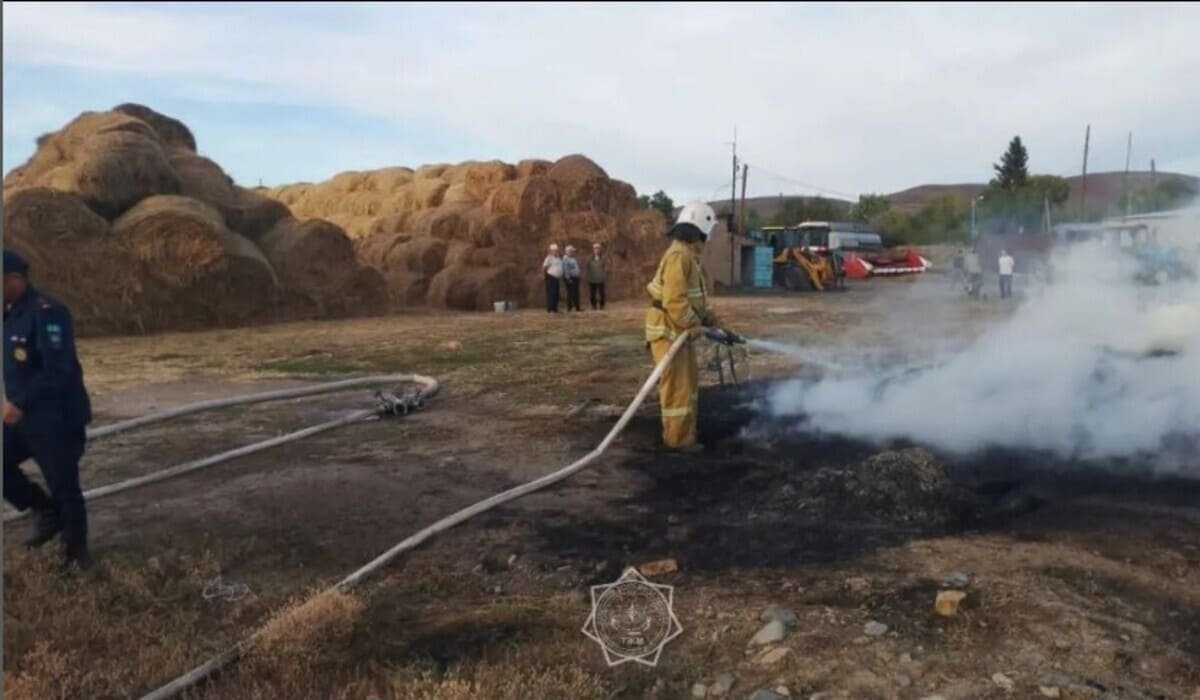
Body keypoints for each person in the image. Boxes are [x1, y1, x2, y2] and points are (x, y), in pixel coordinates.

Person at [3, 250, 93, 570]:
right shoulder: (10, 314)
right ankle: (44, 512)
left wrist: (19, 402)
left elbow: (58, 369)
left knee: (64, 485)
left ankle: (76, 558)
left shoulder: (47, 312)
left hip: (57, 417)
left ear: (15, 279)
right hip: (25, 418)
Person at [644, 201, 737, 452]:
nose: (708, 238)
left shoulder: (689, 256)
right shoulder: (679, 256)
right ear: (700, 229)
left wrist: (719, 326)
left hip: (678, 331)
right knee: (678, 389)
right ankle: (678, 442)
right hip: (668, 331)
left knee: (688, 384)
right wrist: (695, 326)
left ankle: (686, 434)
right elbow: (675, 302)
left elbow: (696, 302)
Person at [542, 243, 563, 313]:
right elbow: (544, 267)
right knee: (551, 293)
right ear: (551, 251)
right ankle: (550, 308)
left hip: (557, 278)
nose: (555, 252)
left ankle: (555, 308)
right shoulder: (549, 258)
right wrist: (546, 275)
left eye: (556, 250)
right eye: (554, 250)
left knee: (556, 293)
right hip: (551, 277)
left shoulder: (559, 258)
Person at [587, 242, 607, 310]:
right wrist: (588, 277)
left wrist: (604, 275)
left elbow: (605, 267)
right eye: (595, 249)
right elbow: (587, 268)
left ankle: (602, 306)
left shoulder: (603, 258)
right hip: (592, 279)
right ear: (593, 250)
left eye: (598, 249)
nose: (596, 250)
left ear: (600, 250)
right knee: (592, 294)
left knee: (602, 294)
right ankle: (594, 306)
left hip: (600, 279)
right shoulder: (589, 258)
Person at [563, 245, 582, 312]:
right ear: (568, 251)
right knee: (571, 293)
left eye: (573, 251)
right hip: (570, 278)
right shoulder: (566, 259)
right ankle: (569, 308)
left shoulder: (573, 258)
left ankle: (577, 308)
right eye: (572, 251)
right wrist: (568, 278)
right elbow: (566, 270)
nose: (574, 252)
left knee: (576, 293)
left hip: (575, 278)